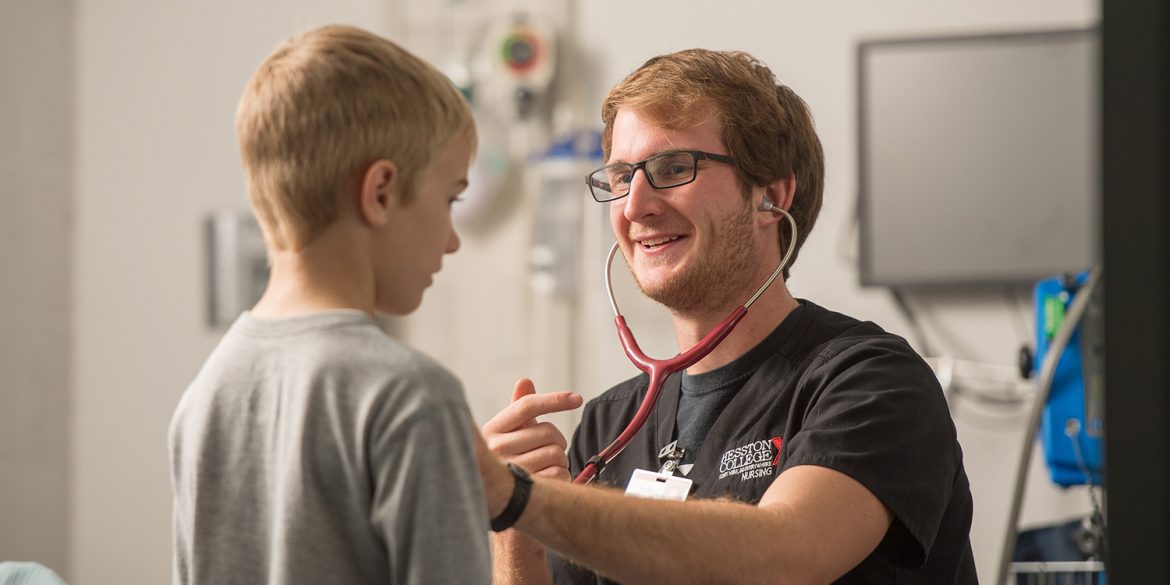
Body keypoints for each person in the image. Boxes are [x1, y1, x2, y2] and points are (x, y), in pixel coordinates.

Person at [478, 49, 977, 584]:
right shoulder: (609, 424)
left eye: (673, 168)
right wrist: (513, 529)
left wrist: (530, 501)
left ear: (771, 196)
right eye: (621, 177)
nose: (633, 205)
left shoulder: (871, 383)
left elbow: (784, 553)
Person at [168, 25, 491, 585]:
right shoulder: (412, 398)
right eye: (450, 199)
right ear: (381, 193)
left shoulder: (205, 395)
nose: (452, 239)